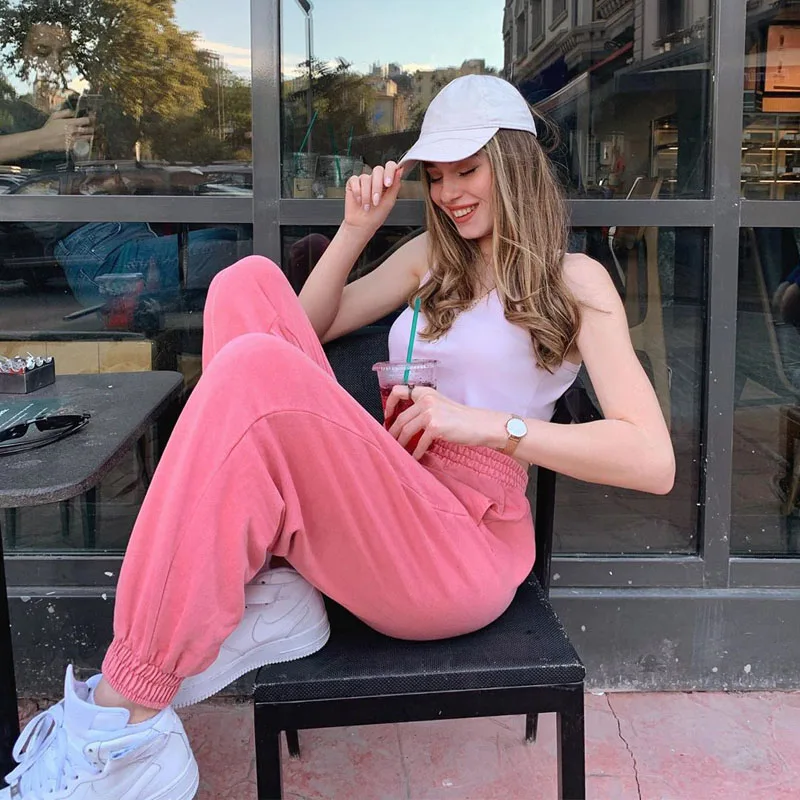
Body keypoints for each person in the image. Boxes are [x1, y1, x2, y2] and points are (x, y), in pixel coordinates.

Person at [1, 75, 674, 799]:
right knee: (245, 285)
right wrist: (356, 229)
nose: (449, 193)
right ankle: (275, 591)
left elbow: (651, 459)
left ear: (512, 164)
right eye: (436, 176)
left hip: (464, 541)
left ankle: (126, 716)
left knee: (253, 367)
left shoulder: (574, 281)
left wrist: (489, 427)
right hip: (390, 482)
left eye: (467, 170)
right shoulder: (432, 257)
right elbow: (301, 329)